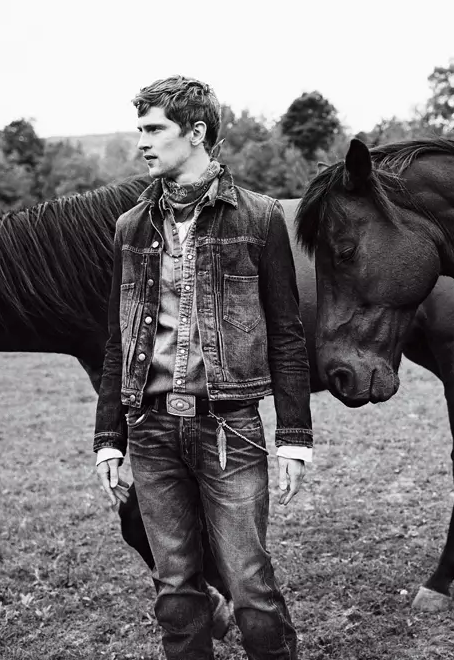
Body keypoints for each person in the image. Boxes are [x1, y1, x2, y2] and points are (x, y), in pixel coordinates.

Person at [93, 75, 313, 660]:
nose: (142, 142)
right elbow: (119, 340)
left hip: (229, 429)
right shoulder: (131, 227)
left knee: (249, 583)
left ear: (196, 133)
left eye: (154, 129)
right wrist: (108, 438)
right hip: (151, 430)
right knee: (175, 587)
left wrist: (294, 438)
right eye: (139, 129)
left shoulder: (260, 219)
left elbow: (287, 334)